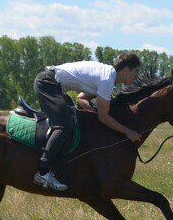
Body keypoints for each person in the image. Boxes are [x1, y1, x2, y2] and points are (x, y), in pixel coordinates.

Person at [32, 52, 143, 191]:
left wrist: (93, 111)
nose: (136, 76)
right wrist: (128, 131)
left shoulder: (108, 77)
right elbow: (103, 117)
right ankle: (43, 172)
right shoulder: (107, 80)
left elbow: (81, 99)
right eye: (136, 71)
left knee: (72, 122)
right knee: (64, 126)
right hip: (48, 84)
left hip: (52, 85)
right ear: (126, 70)